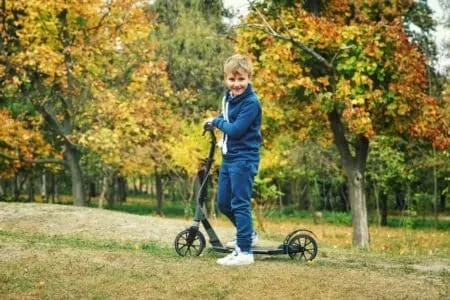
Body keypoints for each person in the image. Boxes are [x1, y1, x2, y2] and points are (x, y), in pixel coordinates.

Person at [205, 54, 262, 266]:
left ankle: (245, 252)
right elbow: (227, 120)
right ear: (226, 78)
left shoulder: (251, 103)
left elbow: (236, 129)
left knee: (239, 203)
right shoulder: (229, 97)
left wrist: (216, 121)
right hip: (229, 157)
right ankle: (249, 234)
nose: (236, 84)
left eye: (241, 80)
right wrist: (217, 126)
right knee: (223, 203)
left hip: (244, 159)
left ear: (249, 78)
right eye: (232, 79)